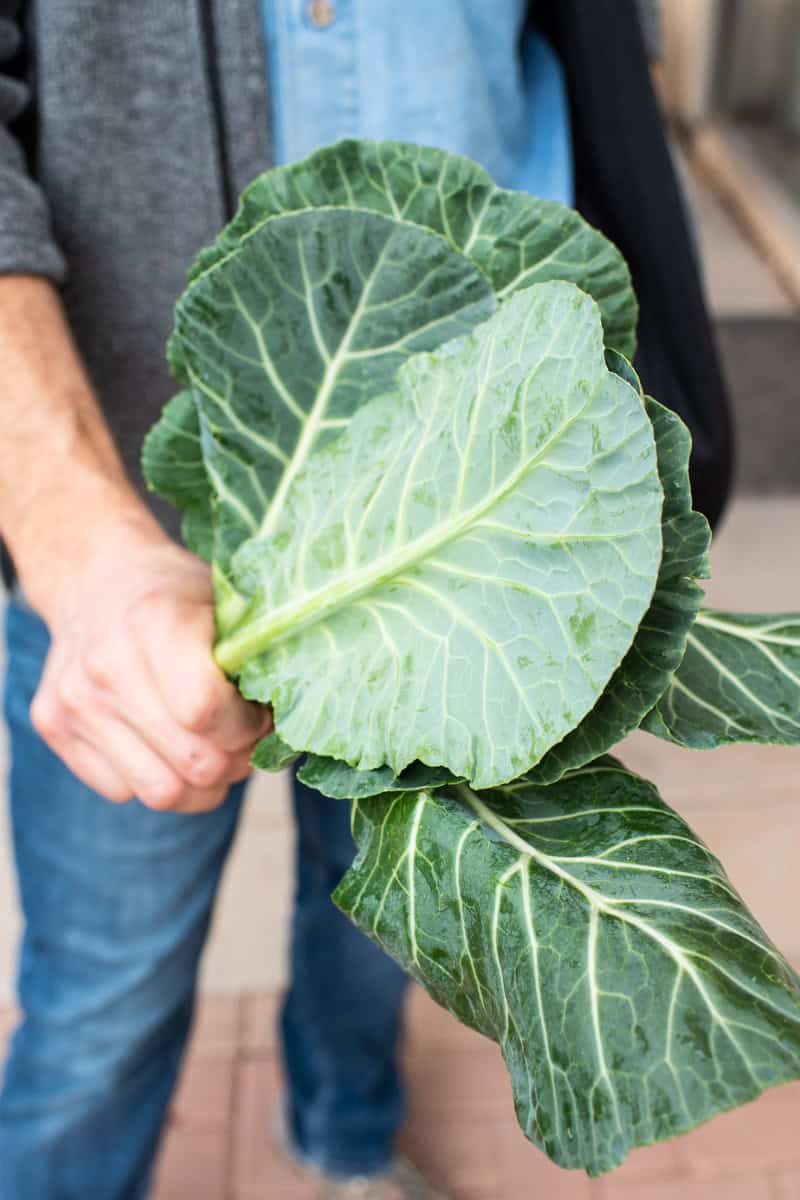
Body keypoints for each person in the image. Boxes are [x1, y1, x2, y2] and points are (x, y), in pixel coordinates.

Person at [0, 2, 731, 1198]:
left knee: (383, 928)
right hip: (131, 552)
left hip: (478, 508)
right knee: (100, 1001)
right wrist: (74, 540)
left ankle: (346, 1138)